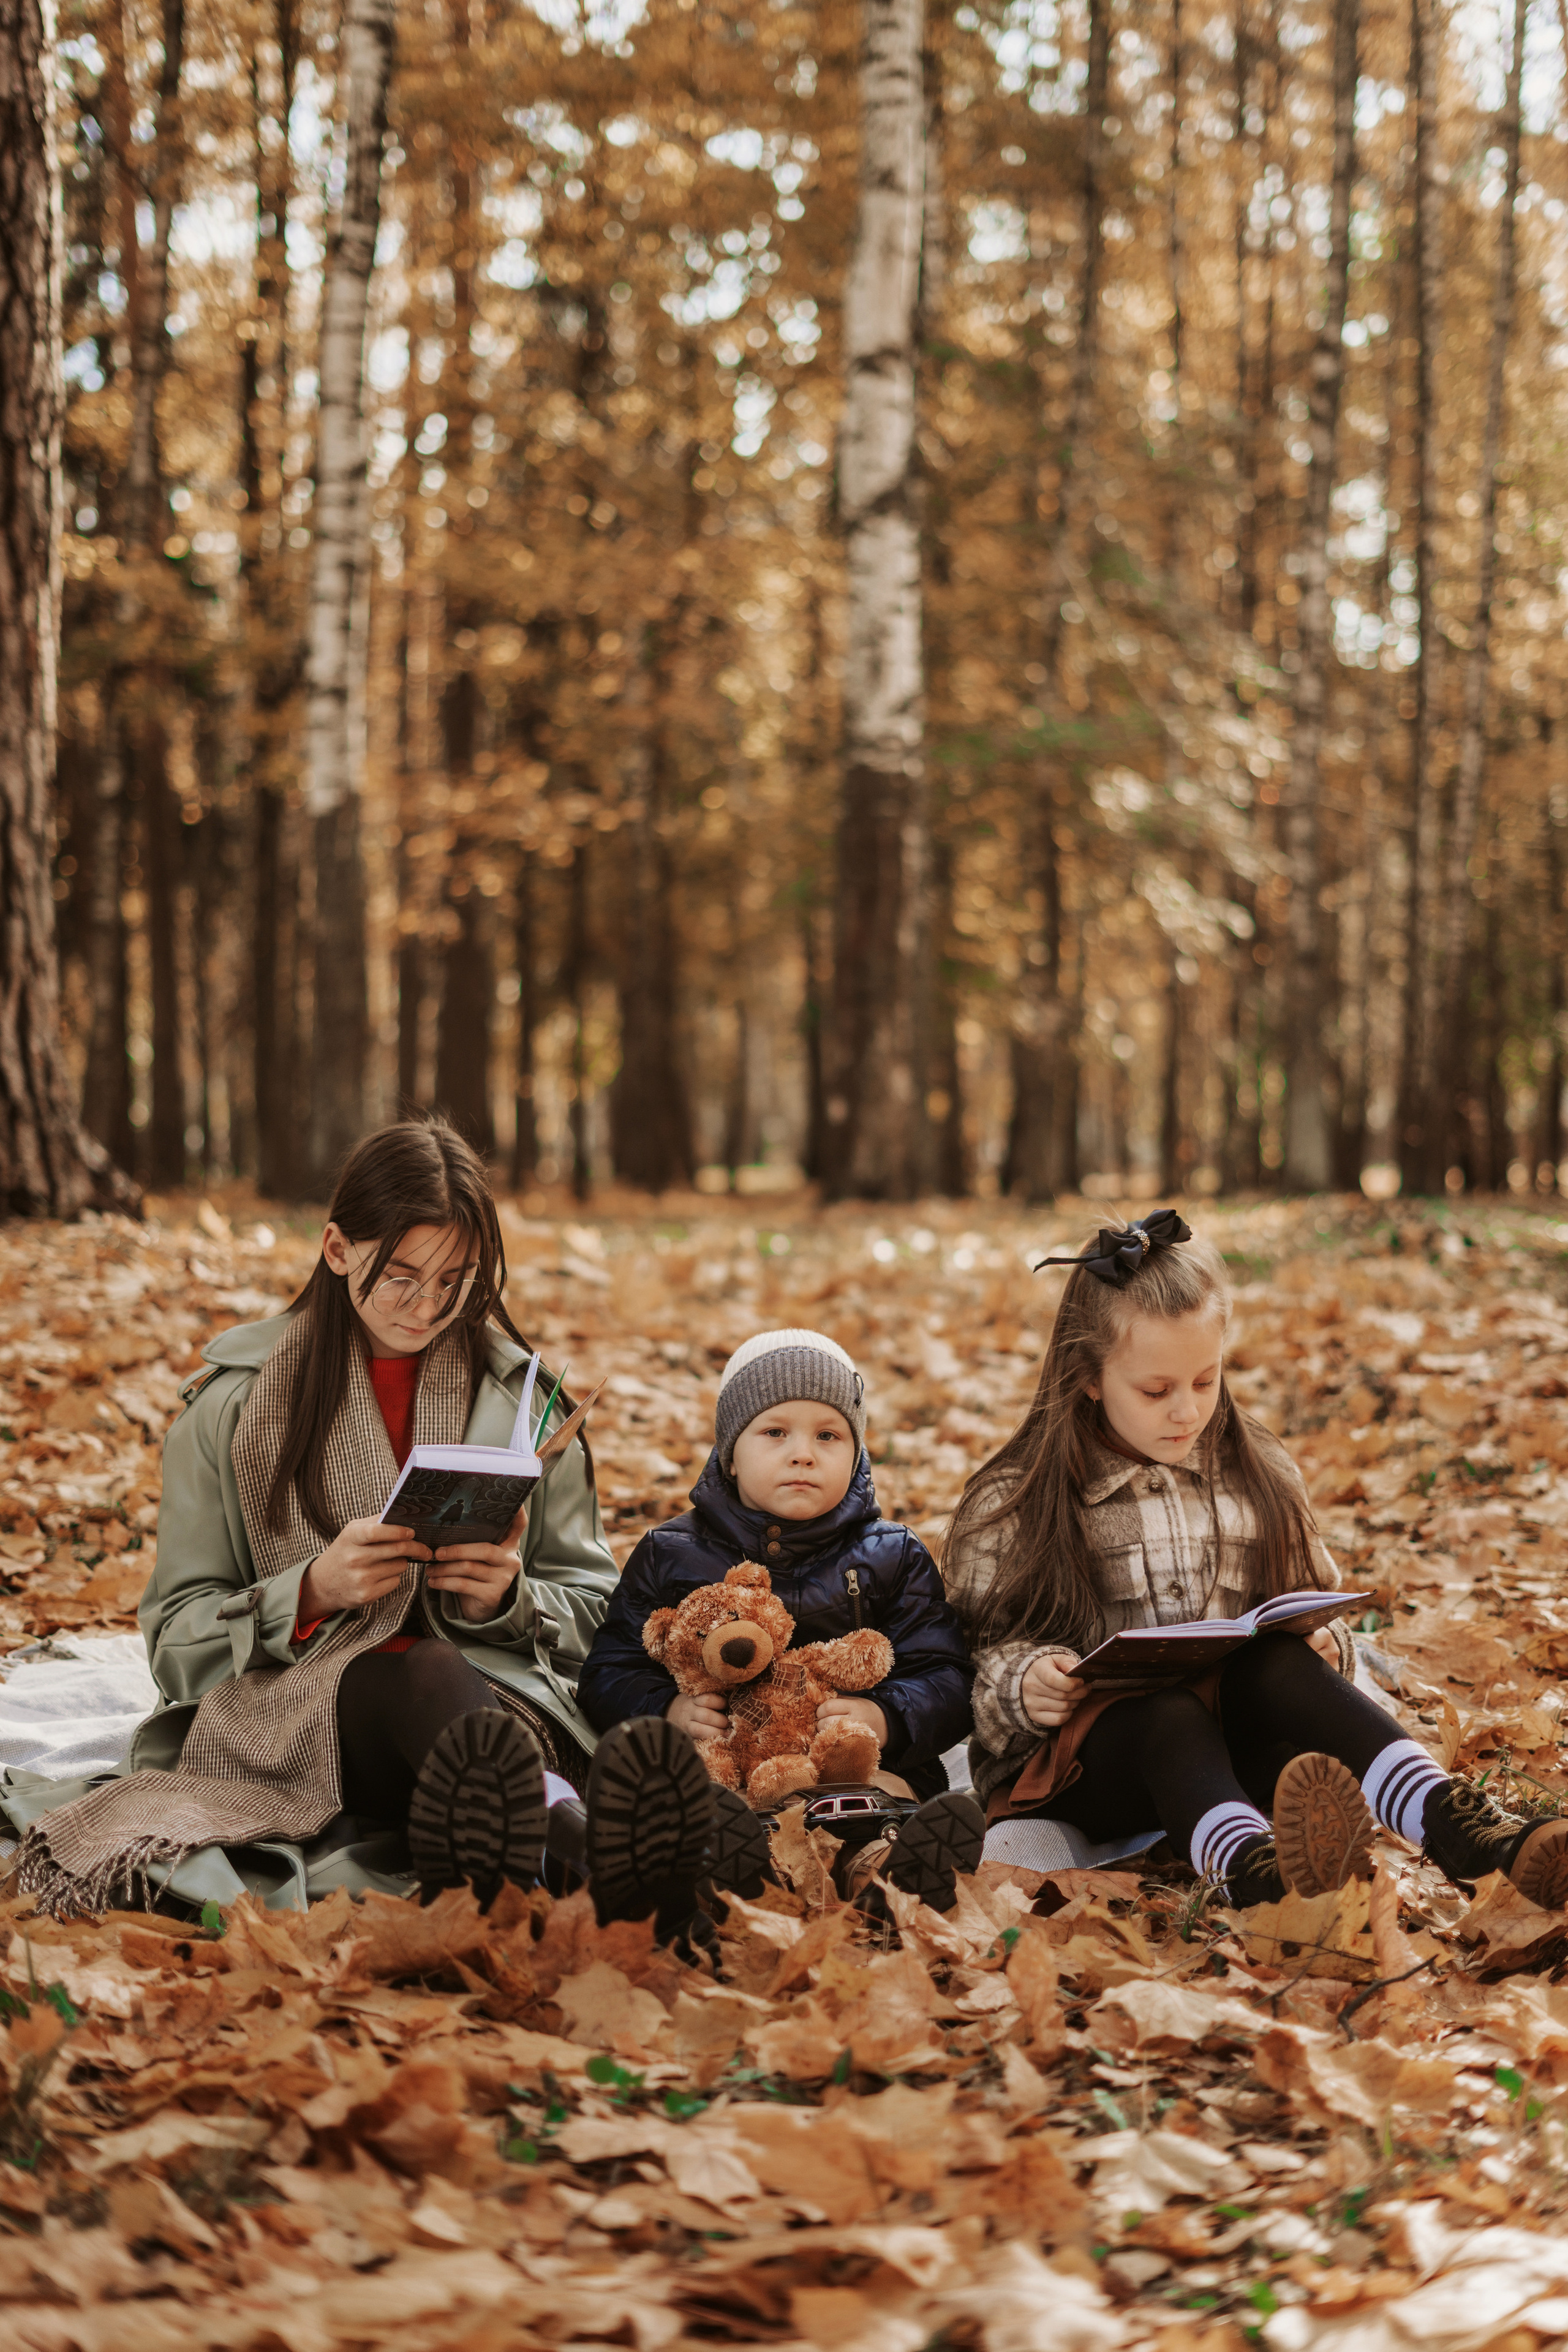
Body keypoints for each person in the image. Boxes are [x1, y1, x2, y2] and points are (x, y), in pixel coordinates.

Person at [8, 1117, 716, 1932]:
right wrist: (309, 1590)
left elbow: (600, 1609)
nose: (427, 1306)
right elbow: (176, 1640)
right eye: (402, 1276)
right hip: (303, 1717)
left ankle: (495, 1845)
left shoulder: (521, 1402)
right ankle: (588, 1850)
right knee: (423, 1673)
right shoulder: (235, 1403)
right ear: (339, 1249)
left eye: (456, 1280)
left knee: (451, 1683)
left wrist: (511, 1600)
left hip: (502, 1706)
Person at [945, 1210, 1568, 1912]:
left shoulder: (1255, 1469)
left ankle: (1458, 1826)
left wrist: (1325, 1643)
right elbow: (968, 1664)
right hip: (1092, 1770)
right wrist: (1025, 1685)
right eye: (1156, 1391)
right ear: (1088, 1377)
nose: (1187, 1411)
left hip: (1239, 1747)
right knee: (1168, 1716)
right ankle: (1255, 1877)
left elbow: (1309, 1608)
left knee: (1275, 1664)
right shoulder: (1019, 1498)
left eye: (1205, 1382)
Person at [579, 1327, 984, 1910]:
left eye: (829, 1435)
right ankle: (734, 1872)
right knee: (699, 1802)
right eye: (775, 1433)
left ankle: (885, 1876)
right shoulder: (670, 1553)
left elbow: (945, 1673)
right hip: (728, 1766)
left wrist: (886, 1715)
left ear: (857, 1451)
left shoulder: (892, 1554)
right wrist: (667, 1709)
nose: (804, 1452)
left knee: (879, 1800)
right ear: (731, 1456)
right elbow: (609, 1669)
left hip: (849, 1765)